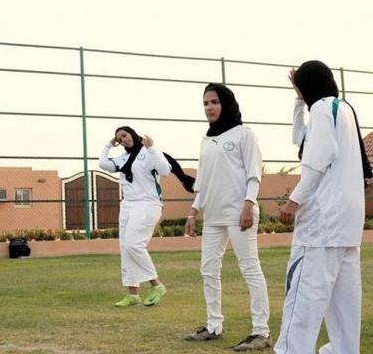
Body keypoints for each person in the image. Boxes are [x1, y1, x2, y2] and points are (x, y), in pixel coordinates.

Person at [274, 61, 372, 354]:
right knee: (344, 306)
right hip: (347, 224)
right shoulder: (342, 109)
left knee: (303, 300)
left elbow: (318, 160)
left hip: (321, 224)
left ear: (307, 85)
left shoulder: (321, 110)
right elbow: (299, 139)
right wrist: (297, 100)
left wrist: (294, 201)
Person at [183, 83, 272, 351]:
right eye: (205, 104)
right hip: (213, 216)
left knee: (250, 268)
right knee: (208, 269)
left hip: (239, 214)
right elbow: (204, 181)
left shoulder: (244, 134)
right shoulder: (206, 140)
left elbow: (253, 174)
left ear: (226, 103)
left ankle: (261, 332)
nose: (209, 107)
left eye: (214, 102)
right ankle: (213, 326)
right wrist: (193, 211)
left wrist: (248, 205)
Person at [98, 126, 195, 307]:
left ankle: (156, 285)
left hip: (148, 205)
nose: (122, 140)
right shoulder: (123, 158)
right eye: (119, 139)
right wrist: (108, 145)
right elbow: (104, 164)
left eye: (124, 135)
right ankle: (133, 294)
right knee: (126, 248)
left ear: (133, 134)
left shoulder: (148, 152)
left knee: (135, 245)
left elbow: (165, 170)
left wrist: (151, 148)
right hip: (128, 206)